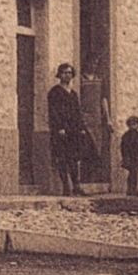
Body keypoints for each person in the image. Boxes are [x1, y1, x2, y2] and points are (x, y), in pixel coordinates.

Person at [47, 63, 88, 196]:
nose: (67, 75)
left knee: (74, 159)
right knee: (62, 158)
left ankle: (76, 185)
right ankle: (66, 186)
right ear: (60, 75)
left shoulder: (74, 94)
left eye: (70, 73)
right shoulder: (55, 92)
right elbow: (53, 112)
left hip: (73, 130)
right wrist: (59, 127)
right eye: (64, 72)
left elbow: (77, 112)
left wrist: (81, 128)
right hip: (61, 130)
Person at [119, 116, 138, 196]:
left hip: (137, 157)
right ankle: (130, 189)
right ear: (128, 125)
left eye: (135, 124)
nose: (133, 126)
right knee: (132, 172)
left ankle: (133, 189)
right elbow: (123, 147)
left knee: (134, 173)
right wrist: (125, 157)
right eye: (131, 124)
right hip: (129, 156)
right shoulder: (126, 136)